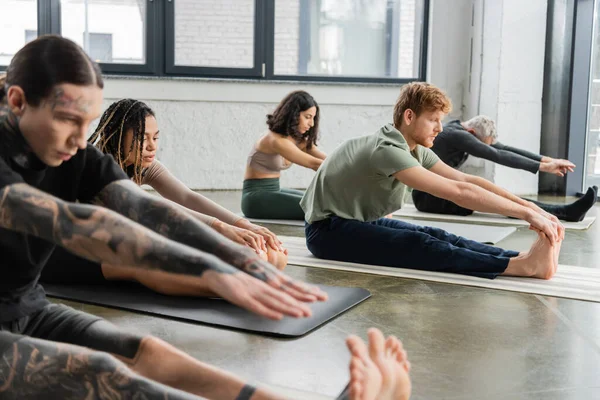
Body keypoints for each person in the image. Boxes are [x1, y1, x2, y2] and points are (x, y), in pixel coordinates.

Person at [301, 82, 564, 281]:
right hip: (326, 232)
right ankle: (521, 267)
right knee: (419, 245)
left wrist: (533, 210)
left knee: (434, 234)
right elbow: (459, 191)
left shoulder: (412, 147)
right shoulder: (387, 150)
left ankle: (517, 258)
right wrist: (526, 215)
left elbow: (466, 179)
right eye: (433, 120)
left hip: (353, 221)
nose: (440, 128)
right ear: (409, 117)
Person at [41, 99, 287, 296]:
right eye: (141, 138)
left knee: (272, 256)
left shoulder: (144, 165)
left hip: (110, 241)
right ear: (117, 135)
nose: (151, 146)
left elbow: (185, 197)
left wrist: (244, 225)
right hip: (63, 250)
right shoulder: (97, 167)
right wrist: (220, 229)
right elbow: (150, 206)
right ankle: (238, 288)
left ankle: (243, 279)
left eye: (155, 138)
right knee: (146, 261)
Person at [411, 115, 598, 221]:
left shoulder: (462, 129)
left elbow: (504, 149)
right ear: (471, 133)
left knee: (497, 195)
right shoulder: (457, 135)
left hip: (443, 192)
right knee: (494, 198)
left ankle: (564, 212)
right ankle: (565, 212)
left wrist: (548, 160)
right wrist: (543, 167)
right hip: (429, 199)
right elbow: (497, 155)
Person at [241, 90, 327, 220]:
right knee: (322, 208)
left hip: (275, 190)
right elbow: (314, 164)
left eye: (313, 118)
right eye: (308, 117)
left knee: (322, 201)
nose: (312, 124)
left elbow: (326, 159)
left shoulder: (293, 139)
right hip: (256, 198)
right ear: (293, 114)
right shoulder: (275, 140)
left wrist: (352, 164)